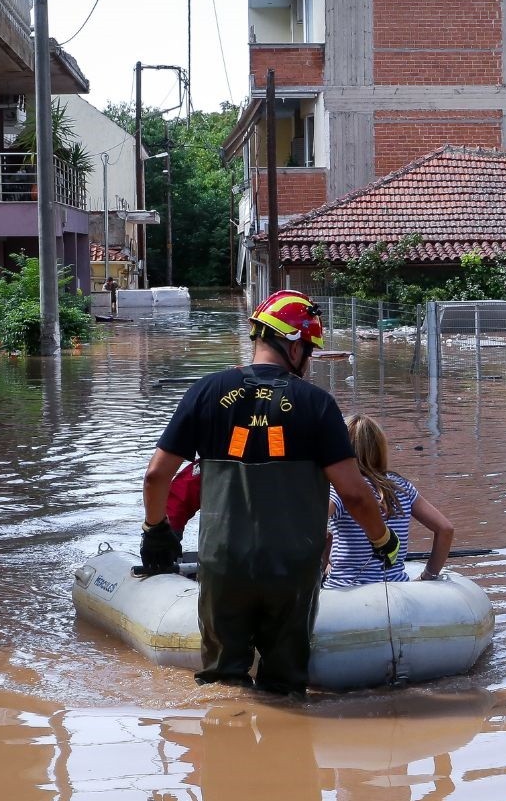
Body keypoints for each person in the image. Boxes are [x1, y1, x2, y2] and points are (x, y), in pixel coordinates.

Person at [140, 290, 398, 695]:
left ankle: (227, 741)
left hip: (224, 565)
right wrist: (384, 540)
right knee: (286, 686)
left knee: (222, 683)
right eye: (309, 350)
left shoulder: (205, 393)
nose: (309, 362)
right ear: (293, 344)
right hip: (291, 572)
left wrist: (155, 531)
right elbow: (355, 494)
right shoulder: (317, 405)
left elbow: (156, 477)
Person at [325, 415, 455, 587]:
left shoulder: (342, 489)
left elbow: (313, 523)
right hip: (397, 588)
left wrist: (323, 560)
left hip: (347, 589)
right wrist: (428, 576)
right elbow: (445, 530)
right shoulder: (403, 487)